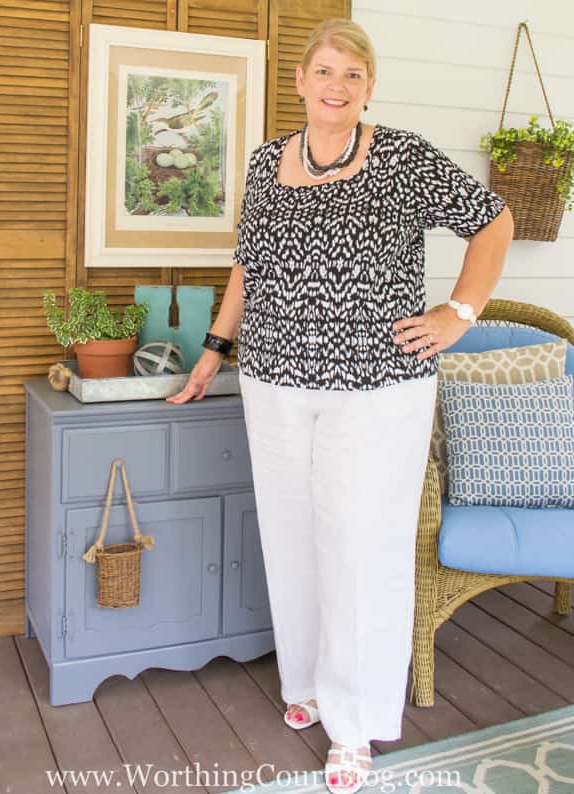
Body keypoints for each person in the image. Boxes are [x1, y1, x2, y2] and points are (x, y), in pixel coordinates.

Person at [166, 17, 514, 794]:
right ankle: (308, 686)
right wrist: (214, 354)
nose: (337, 86)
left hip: (380, 389)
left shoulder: (403, 157)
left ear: (369, 86)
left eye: (352, 75)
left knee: (362, 548)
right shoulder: (265, 163)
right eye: (325, 72)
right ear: (300, 82)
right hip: (276, 380)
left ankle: (353, 727)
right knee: (292, 538)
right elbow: (248, 268)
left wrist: (458, 314)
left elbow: (493, 221)